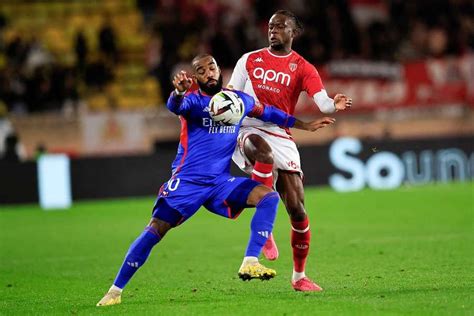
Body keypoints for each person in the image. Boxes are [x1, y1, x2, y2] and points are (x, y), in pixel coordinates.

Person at [96, 54, 336, 306]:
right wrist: (177, 92)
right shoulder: (192, 102)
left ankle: (250, 261)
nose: (208, 72)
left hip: (220, 183)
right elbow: (174, 106)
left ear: (220, 70)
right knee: (155, 230)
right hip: (188, 183)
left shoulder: (239, 101)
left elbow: (271, 113)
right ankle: (115, 290)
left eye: (212, 67)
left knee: (269, 197)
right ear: (196, 77)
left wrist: (305, 126)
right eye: (201, 70)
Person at [227, 10, 353, 292]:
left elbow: (322, 102)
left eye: (280, 26)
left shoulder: (303, 67)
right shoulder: (249, 60)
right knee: (261, 153)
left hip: (280, 132)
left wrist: (335, 104)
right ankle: (265, 222)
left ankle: (299, 277)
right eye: (270, 26)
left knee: (297, 209)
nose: (273, 30)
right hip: (249, 127)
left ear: (293, 32)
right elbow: (232, 95)